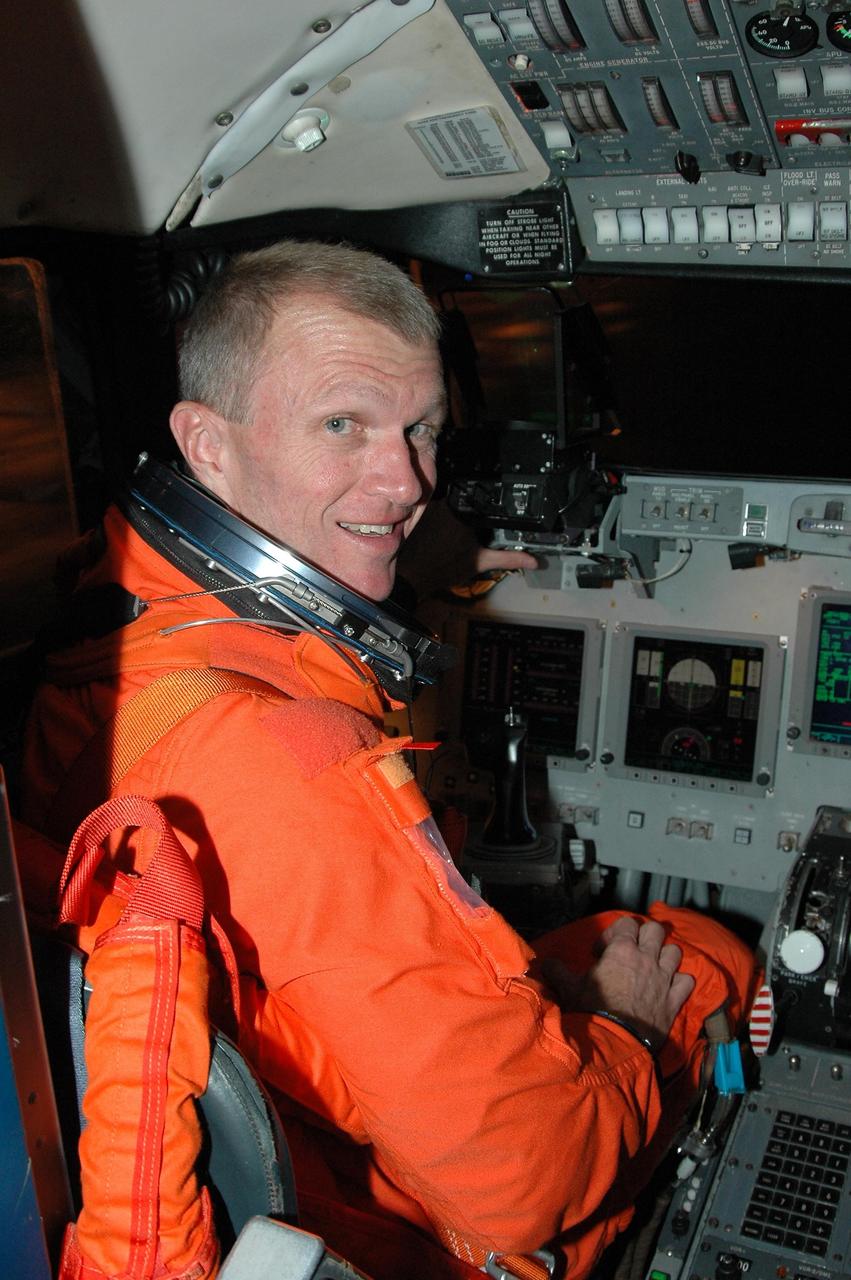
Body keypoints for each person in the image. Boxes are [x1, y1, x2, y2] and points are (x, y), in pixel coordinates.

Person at [21, 239, 755, 1280]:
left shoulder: (107, 632)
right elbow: (521, 1182)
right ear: (207, 444)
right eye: (342, 426)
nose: (404, 479)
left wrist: (402, 545)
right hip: (384, 1232)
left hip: (264, 1137)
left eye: (420, 431)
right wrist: (633, 1029)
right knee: (692, 947)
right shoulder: (289, 754)